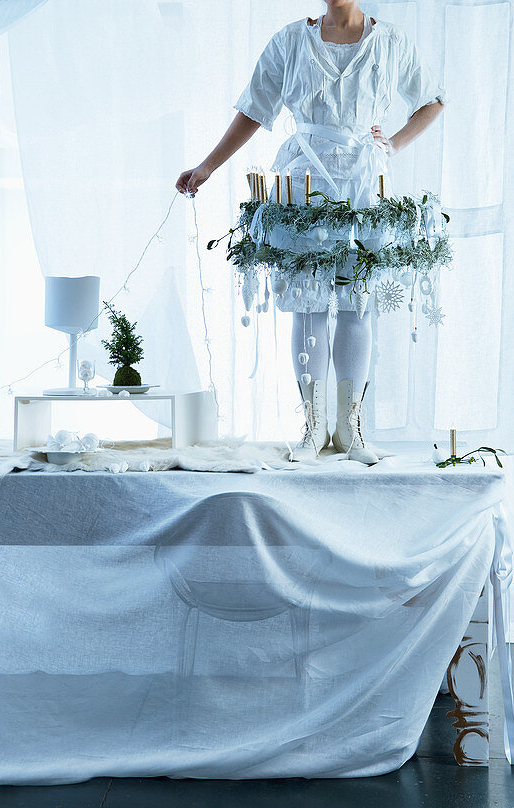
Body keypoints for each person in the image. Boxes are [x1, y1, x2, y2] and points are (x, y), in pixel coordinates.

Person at [177, 1, 444, 463]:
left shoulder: (391, 42)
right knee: (307, 302)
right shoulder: (291, 41)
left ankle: (350, 429)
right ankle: (312, 427)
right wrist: (206, 166)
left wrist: (393, 146)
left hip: (365, 184)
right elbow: (255, 110)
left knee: (358, 302)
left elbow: (432, 99)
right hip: (302, 183)